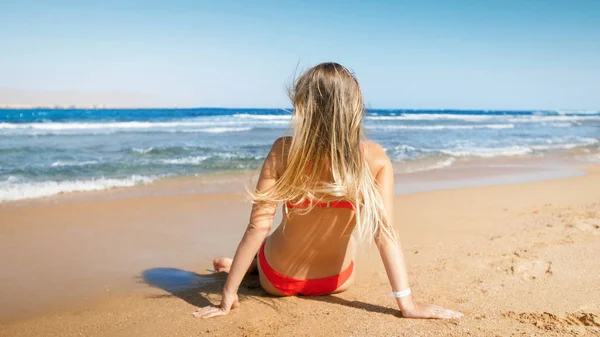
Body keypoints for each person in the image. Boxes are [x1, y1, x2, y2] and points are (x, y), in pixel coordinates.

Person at [194, 62, 463, 320]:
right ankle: (245, 264)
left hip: (277, 281)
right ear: (355, 108)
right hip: (337, 281)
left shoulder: (283, 150)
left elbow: (258, 227)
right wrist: (407, 304)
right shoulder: (375, 158)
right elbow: (385, 234)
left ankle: (245, 266)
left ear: (304, 107)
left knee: (269, 241)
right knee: (350, 237)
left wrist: (228, 294)